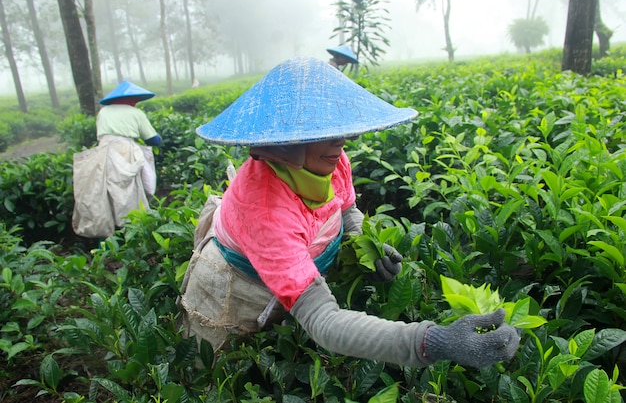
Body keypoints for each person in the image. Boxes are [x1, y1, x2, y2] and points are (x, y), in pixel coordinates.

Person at [179, 57, 520, 369]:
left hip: (294, 267)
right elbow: (323, 321)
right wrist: (434, 341)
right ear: (285, 146)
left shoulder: (330, 159)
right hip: (241, 287)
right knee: (230, 365)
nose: (345, 140)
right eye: (325, 133)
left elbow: (345, 209)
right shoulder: (266, 211)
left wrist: (364, 244)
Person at [72, 80, 162, 239]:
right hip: (125, 153)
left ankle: (106, 240)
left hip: (104, 153)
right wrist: (160, 139)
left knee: (103, 195)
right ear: (133, 100)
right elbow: (152, 139)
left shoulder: (104, 112)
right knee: (130, 195)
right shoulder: (136, 113)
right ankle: (131, 236)